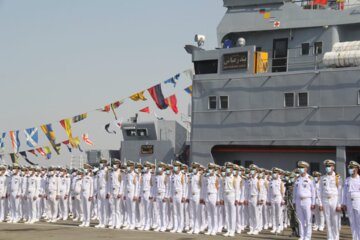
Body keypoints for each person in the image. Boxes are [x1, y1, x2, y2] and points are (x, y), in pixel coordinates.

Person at [319, 159, 342, 240]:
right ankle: (330, 237)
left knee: (335, 220)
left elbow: (340, 192)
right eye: (326, 166)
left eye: (329, 166)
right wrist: (321, 204)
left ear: (333, 167)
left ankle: (336, 237)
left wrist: (339, 204)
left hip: (334, 199)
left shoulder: (337, 177)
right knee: (328, 220)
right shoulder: (322, 178)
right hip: (325, 200)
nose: (327, 167)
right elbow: (320, 191)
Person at [292, 161, 316, 240]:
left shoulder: (310, 179)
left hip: (307, 201)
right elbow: (294, 191)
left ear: (306, 169)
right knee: (300, 219)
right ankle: (302, 236)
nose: (300, 169)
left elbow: (313, 191)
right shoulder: (297, 179)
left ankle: (307, 237)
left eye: (302, 168)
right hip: (298, 201)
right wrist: (294, 201)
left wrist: (313, 203)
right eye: (300, 168)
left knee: (308, 220)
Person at [342, 161, 360, 240]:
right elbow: (344, 192)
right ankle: (354, 238)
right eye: (350, 168)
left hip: (358, 201)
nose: (350, 169)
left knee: (359, 222)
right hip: (349, 202)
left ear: (356, 169)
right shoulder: (347, 179)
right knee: (352, 222)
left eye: (352, 168)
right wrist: (344, 203)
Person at [268, 167, 286, 234]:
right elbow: (269, 192)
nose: (274, 174)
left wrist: (283, 200)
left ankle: (279, 227)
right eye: (273, 173)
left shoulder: (280, 181)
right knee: (273, 213)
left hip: (278, 198)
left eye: (275, 173)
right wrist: (269, 200)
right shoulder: (271, 181)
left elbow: (282, 191)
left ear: (278, 173)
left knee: (279, 213)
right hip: (272, 198)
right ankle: (274, 227)